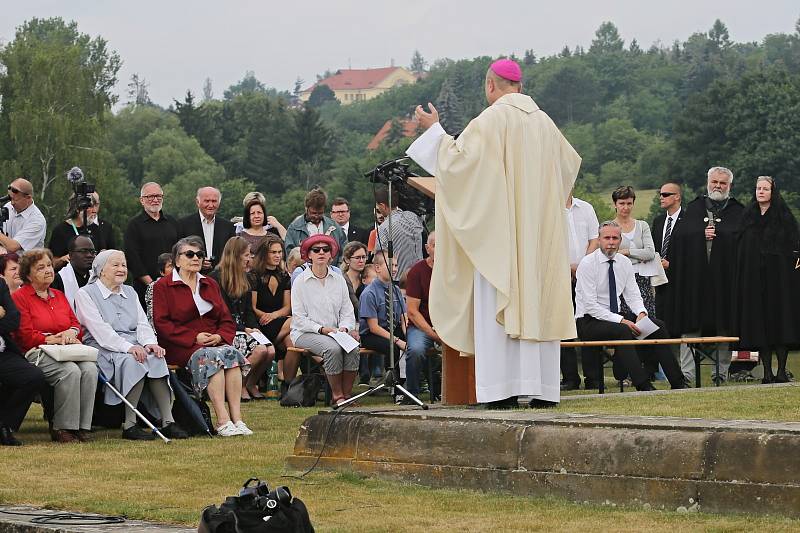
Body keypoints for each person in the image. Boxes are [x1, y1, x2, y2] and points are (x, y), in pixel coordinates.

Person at [409, 58, 579, 408]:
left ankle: (501, 390)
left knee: (497, 305)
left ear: (490, 85)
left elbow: (458, 165)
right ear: (518, 84)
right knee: (538, 300)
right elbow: (567, 170)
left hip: (500, 242)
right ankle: (543, 388)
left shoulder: (491, 120)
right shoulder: (546, 124)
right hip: (538, 242)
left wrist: (433, 131)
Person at [75, 250, 188, 440]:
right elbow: (99, 330)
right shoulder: (85, 293)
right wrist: (128, 347)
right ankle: (130, 424)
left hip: (134, 343)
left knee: (156, 357)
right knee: (133, 361)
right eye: (116, 265)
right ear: (101, 270)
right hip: (103, 347)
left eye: (124, 265)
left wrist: (150, 343)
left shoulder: (130, 291)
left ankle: (168, 421)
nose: (121, 269)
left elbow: (142, 324)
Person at [153, 236, 252, 437]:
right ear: (177, 260)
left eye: (200, 254)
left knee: (231, 354)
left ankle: (237, 419)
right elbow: (162, 324)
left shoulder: (210, 283)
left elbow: (226, 319)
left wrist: (219, 336)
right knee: (213, 357)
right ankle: (222, 421)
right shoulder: (163, 286)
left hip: (213, 342)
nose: (196, 258)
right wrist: (193, 337)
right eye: (189, 254)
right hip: (180, 345)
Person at [574, 222, 686, 391]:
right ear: (599, 240)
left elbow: (633, 294)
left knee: (657, 327)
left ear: (620, 240)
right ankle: (643, 384)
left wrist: (641, 312)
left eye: (615, 238)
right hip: (588, 321)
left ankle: (678, 383)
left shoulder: (624, 262)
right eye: (606, 238)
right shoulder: (588, 263)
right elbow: (590, 305)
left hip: (616, 318)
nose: (611, 241)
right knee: (624, 330)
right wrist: (622, 320)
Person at [660, 167, 745, 384]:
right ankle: (687, 375)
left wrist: (721, 235)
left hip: (724, 281)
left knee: (724, 326)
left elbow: (742, 239)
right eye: (714, 182)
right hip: (695, 282)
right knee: (690, 325)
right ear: (708, 182)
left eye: (722, 183)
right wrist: (701, 234)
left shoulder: (737, 211)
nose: (718, 186)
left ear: (729, 186)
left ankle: (721, 374)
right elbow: (681, 236)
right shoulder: (695, 208)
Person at [12, 248, 98, 443]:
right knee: (70, 371)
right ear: (28, 274)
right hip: (35, 352)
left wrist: (71, 333)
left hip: (65, 350)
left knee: (90, 370)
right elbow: (25, 336)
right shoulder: (20, 297)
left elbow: (75, 324)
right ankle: (62, 427)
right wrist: (54, 339)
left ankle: (82, 427)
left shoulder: (59, 295)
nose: (48, 270)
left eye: (49, 265)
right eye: (40, 267)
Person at [733, 177, 799, 383]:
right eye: (758, 188)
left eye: (765, 189)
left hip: (779, 280)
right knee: (760, 323)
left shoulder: (783, 216)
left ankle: (781, 371)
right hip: (754, 279)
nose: (761, 192)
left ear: (773, 192)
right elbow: (740, 246)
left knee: (780, 321)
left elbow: (794, 245)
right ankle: (767, 372)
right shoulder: (748, 216)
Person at [290, 234, 359, 406]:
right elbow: (298, 318)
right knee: (333, 349)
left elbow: (347, 310)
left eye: (325, 249)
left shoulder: (339, 280)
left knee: (353, 347)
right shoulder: (300, 281)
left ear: (331, 255)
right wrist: (322, 329)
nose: (321, 252)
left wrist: (344, 328)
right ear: (309, 254)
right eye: (316, 249)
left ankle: (347, 395)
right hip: (304, 333)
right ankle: (337, 397)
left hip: (336, 331)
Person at [209, 237, 275, 402]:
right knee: (260, 351)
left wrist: (254, 328)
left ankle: (251, 383)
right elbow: (221, 313)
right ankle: (240, 386)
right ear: (236, 255)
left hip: (243, 328)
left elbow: (248, 311)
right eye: (246, 255)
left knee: (270, 350)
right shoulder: (215, 279)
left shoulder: (245, 278)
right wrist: (244, 329)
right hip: (225, 330)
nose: (250, 258)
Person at [0, 276, 46, 446]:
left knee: (33, 376)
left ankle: (5, 425)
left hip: (3, 352)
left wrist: (4, 314)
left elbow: (13, 319)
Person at [562, 192, 599, 390]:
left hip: (586, 275)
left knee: (588, 325)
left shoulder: (586, 208)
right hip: (560, 275)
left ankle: (593, 377)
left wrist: (582, 266)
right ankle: (570, 378)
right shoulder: (549, 209)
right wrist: (568, 267)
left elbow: (595, 239)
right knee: (563, 328)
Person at [124, 181, 179, 307]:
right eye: (150, 196)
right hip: (145, 288)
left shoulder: (173, 222)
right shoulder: (134, 225)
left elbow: (180, 253)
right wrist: (152, 284)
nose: (155, 199)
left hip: (173, 285)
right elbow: (132, 258)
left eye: (158, 196)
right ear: (142, 200)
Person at [250, 235, 294, 383]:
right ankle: (320, 360)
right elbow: (253, 308)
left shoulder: (284, 276)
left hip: (279, 320)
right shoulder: (253, 276)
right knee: (297, 322)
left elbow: (287, 307)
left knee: (291, 341)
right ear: (264, 253)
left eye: (279, 252)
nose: (277, 255)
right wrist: (268, 317)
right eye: (273, 252)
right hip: (260, 322)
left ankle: (288, 383)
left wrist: (274, 315)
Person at [611, 186, 658, 317]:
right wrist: (639, 255)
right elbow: (610, 255)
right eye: (622, 203)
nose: (626, 207)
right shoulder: (609, 227)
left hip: (643, 279)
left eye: (629, 203)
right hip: (619, 278)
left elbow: (650, 253)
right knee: (625, 318)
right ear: (615, 204)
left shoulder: (642, 225)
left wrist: (626, 252)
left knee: (646, 317)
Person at [404, 232, 440, 398]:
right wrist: (434, 334)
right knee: (416, 349)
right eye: (435, 245)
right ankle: (411, 394)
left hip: (451, 324)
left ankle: (470, 393)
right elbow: (412, 311)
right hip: (422, 325)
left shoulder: (454, 269)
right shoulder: (417, 271)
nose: (439, 249)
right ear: (427, 248)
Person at [48, 191, 115, 269]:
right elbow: (52, 263)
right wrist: (62, 260)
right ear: (77, 208)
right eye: (90, 206)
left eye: (96, 205)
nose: (95, 210)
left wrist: (105, 256)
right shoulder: (61, 230)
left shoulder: (98, 228)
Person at [177, 187, 236, 272]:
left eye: (214, 201)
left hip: (221, 277)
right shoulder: (183, 225)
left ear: (219, 203)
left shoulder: (228, 226)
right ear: (198, 202)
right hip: (192, 276)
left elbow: (231, 254)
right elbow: (178, 253)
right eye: (207, 201)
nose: (211, 205)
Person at [285, 188, 347, 265]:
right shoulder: (294, 228)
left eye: (320, 213)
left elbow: (345, 252)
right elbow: (289, 256)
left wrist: (337, 269)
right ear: (306, 208)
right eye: (313, 213)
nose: (317, 216)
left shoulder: (334, 227)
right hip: (304, 274)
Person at [374, 186, 424, 278]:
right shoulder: (414, 217)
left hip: (398, 280)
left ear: (383, 206)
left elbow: (379, 256)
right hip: (420, 276)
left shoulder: (384, 227)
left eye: (378, 207)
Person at [652, 181, 685, 321]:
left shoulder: (689, 220)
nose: (661, 197)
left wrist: (672, 265)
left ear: (677, 197)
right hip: (660, 281)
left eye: (665, 194)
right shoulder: (658, 221)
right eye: (660, 194)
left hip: (681, 279)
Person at [0, 178, 46, 254]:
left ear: (28, 198)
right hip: (8, 263)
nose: (12, 203)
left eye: (15, 200)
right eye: (10, 199)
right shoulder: (9, 206)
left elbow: (13, 247)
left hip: (27, 264)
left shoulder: (37, 221)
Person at [51, 235, 96, 309]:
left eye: (92, 252)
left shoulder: (96, 278)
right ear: (71, 255)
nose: (89, 255)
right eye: (84, 251)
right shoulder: (58, 280)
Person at [145, 253, 173, 326]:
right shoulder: (154, 286)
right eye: (170, 266)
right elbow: (152, 315)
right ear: (161, 272)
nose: (174, 269)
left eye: (175, 266)